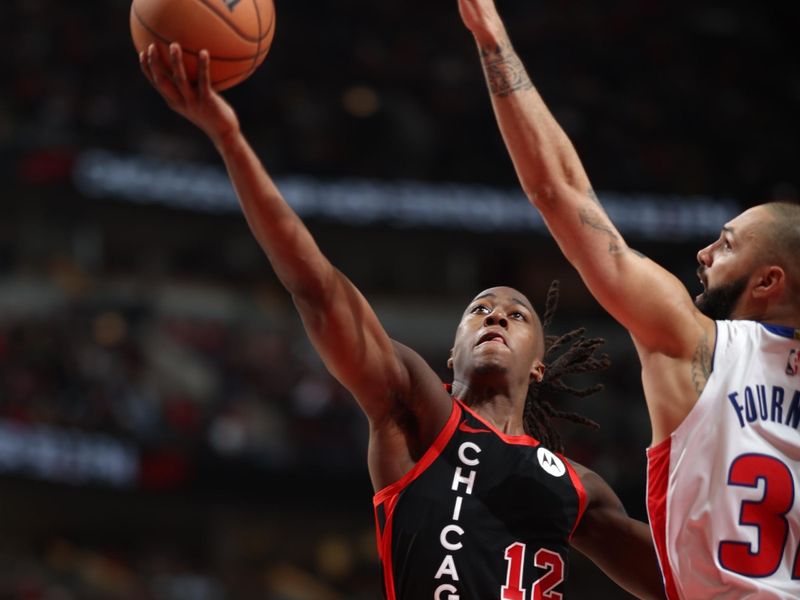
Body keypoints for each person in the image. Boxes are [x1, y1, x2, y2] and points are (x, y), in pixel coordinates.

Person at [138, 42, 666, 599]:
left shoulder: (580, 488)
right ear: (451, 352)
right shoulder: (417, 415)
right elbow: (318, 289)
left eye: (517, 315)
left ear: (538, 366)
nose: (495, 317)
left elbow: (687, 582)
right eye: (479, 309)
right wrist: (230, 140)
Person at [457, 0, 800, 598]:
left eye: (726, 243)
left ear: (769, 281)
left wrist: (491, 37)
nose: (704, 253)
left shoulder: (697, 343)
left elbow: (558, 191)